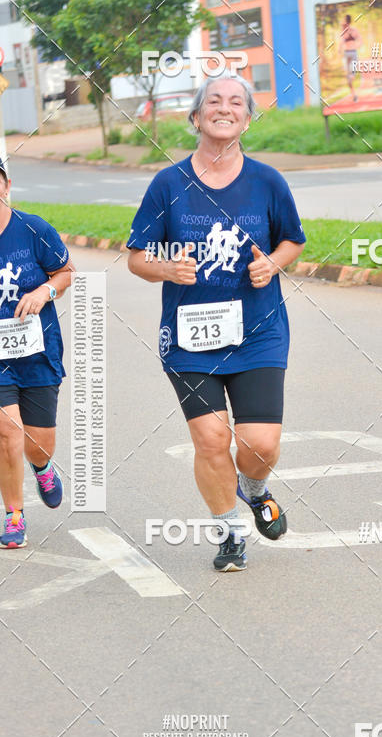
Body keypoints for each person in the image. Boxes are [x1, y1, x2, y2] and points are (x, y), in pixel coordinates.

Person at [127, 72, 306, 572]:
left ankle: (255, 488)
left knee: (260, 444)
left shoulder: (267, 181)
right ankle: (230, 533)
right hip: (189, 338)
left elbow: (292, 240)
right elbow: (137, 257)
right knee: (210, 439)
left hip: (258, 332)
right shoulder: (168, 184)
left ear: (247, 119)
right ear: (195, 116)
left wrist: (272, 263)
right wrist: (168, 268)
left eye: (235, 103)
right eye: (213, 101)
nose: (224, 108)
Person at [0, 158, 74, 548]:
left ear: (7, 186)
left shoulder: (33, 229)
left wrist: (44, 291)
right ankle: (14, 513)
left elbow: (65, 272)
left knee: (38, 441)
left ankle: (42, 465)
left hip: (37, 351)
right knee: (7, 433)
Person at [339, 14, 362, 101]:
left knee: (350, 76)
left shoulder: (347, 30)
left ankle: (354, 94)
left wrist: (340, 50)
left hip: (349, 53)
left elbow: (341, 42)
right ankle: (354, 94)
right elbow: (360, 40)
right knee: (350, 76)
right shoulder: (349, 30)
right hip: (350, 53)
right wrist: (357, 46)